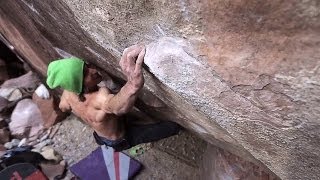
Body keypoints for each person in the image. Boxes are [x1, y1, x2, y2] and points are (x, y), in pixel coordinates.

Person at [46, 45, 181, 151]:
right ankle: (175, 129)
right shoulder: (99, 97)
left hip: (100, 136)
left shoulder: (69, 93)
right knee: (172, 127)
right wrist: (133, 84)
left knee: (120, 122)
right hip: (120, 139)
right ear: (81, 85)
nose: (93, 71)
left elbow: (62, 107)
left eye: (86, 66)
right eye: (85, 74)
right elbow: (116, 107)